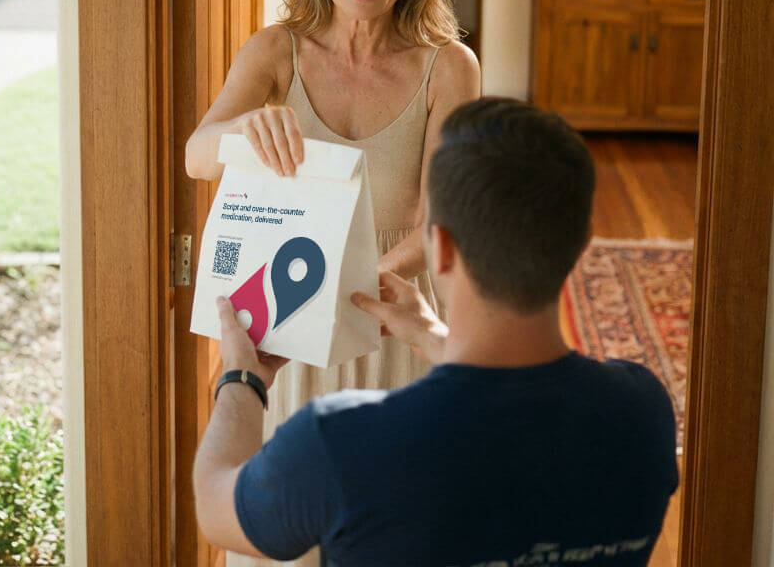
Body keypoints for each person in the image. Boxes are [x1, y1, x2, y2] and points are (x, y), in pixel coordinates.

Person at [193, 97, 679, 566]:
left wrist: (243, 379)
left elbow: (216, 507)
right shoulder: (643, 413)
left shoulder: (342, 443)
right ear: (581, 246)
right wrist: (433, 336)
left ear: (441, 249)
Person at [185, 0, 479, 560]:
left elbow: (444, 218)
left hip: (394, 317)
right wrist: (242, 132)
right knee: (285, 528)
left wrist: (369, 273)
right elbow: (197, 154)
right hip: (287, 329)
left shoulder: (449, 66)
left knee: (393, 530)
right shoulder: (275, 51)